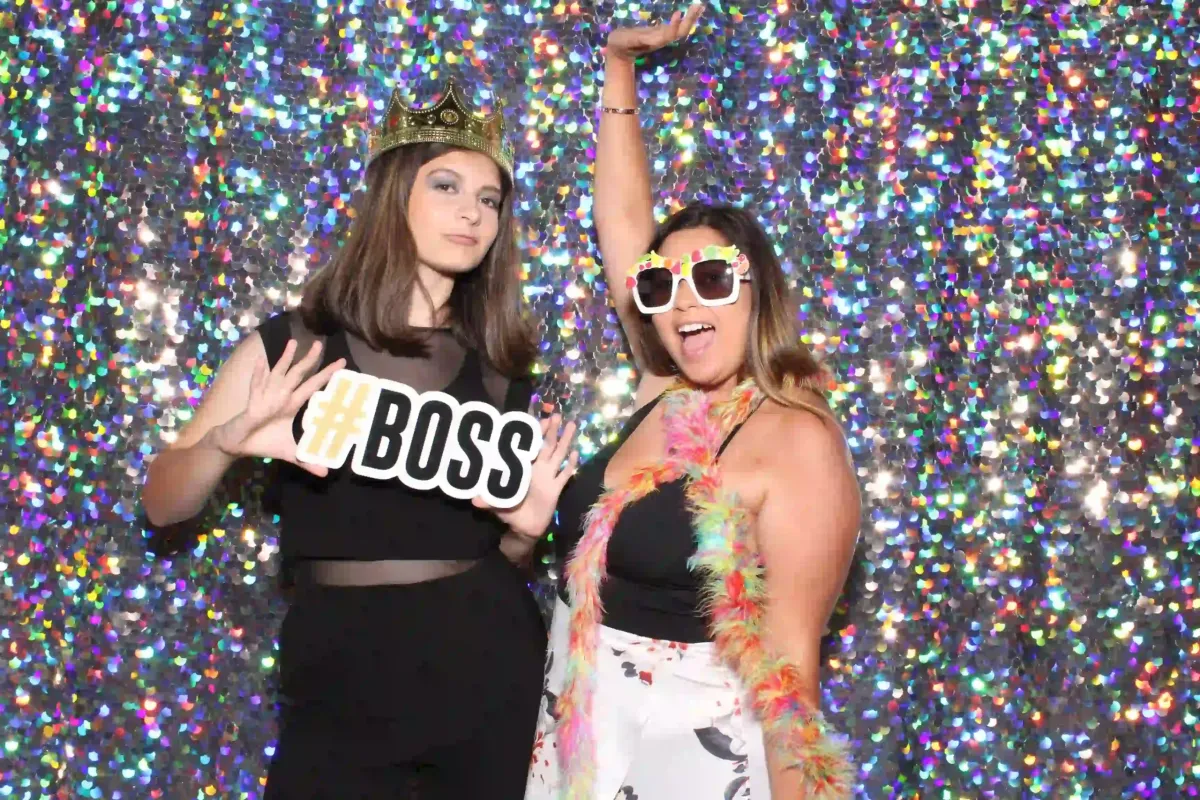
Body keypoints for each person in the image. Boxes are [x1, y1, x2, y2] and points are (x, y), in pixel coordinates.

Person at [141, 79, 577, 799]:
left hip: (485, 662)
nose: (471, 211)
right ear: (393, 197)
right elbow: (162, 506)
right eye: (445, 185)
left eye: (489, 199)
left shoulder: (503, 379)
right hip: (339, 665)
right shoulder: (294, 346)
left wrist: (524, 537)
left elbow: (489, 548)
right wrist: (225, 442)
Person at [521, 7, 861, 799]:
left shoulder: (798, 441)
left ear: (755, 290)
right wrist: (617, 67)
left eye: (710, 277)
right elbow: (623, 225)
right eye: (660, 286)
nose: (682, 303)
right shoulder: (662, 389)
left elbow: (789, 682)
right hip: (574, 749)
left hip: (691, 767)